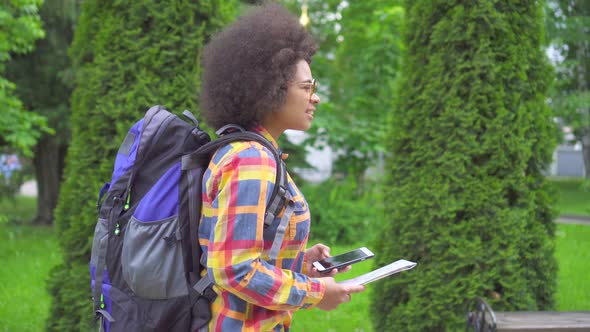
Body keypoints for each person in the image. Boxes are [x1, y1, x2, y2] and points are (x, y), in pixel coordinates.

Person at [198, 3, 365, 331]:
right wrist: (316, 293)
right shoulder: (251, 161)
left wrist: (301, 263)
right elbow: (235, 270)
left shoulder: (255, 153)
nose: (315, 98)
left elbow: (246, 253)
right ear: (269, 90)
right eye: (307, 88)